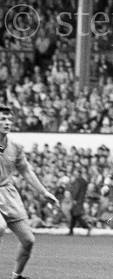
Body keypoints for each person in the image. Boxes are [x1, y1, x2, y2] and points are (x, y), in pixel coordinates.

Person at [0, 105, 59, 279]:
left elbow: (26, 171)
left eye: (9, 119)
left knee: (28, 240)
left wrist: (44, 192)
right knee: (0, 227)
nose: (7, 122)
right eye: (3, 119)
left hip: (8, 194)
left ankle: (16, 276)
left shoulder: (15, 147)